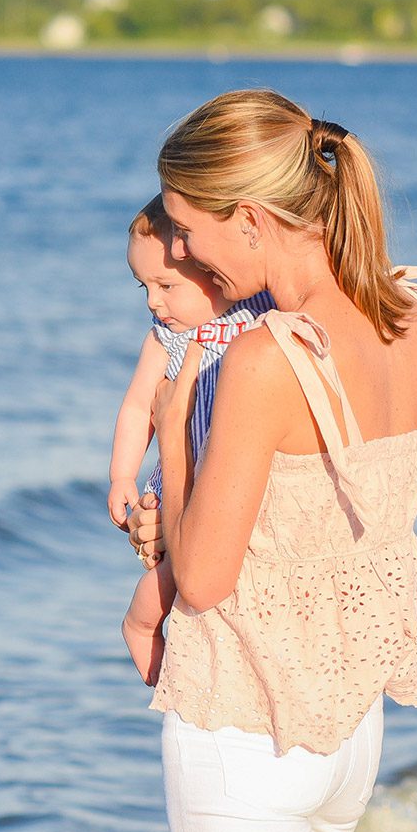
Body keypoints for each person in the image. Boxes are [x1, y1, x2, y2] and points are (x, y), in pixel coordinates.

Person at [126, 89, 417, 832]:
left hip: (245, 730)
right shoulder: (408, 320)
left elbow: (209, 577)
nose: (184, 260)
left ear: (253, 220)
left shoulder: (268, 358)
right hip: (343, 733)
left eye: (188, 232)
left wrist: (180, 420)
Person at [109, 195, 275, 685]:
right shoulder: (167, 339)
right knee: (166, 587)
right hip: (181, 488)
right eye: (143, 286)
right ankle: (142, 634)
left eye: (165, 285)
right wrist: (122, 473)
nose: (152, 302)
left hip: (231, 482)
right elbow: (139, 406)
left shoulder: (259, 312)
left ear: (212, 270)